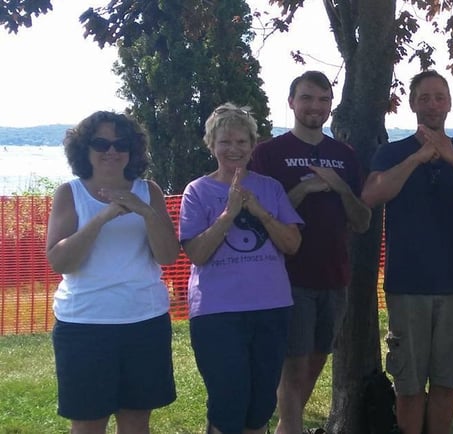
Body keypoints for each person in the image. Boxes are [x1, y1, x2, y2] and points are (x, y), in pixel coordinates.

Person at [361, 70, 453, 434]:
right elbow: (371, 196)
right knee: (408, 384)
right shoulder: (392, 152)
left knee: (446, 382)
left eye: (439, 97)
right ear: (412, 104)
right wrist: (417, 158)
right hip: (407, 284)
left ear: (449, 103)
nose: (433, 104)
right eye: (424, 98)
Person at [249, 71, 371, 434]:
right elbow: (259, 218)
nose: (315, 106)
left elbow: (362, 221)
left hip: (334, 277)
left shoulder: (344, 156)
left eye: (323, 99)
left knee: (314, 363)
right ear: (291, 102)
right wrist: (303, 191)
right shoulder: (268, 154)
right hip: (287, 278)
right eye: (306, 98)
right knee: (294, 367)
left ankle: (283, 427)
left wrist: (340, 188)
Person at [45, 111, 179, 434]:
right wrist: (103, 218)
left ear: (133, 150)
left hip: (144, 321)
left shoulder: (149, 191)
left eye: (121, 144)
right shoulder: (70, 193)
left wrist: (144, 211)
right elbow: (60, 261)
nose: (112, 151)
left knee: (136, 424)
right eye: (101, 143)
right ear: (84, 149)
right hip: (84, 325)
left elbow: (167, 256)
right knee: (87, 425)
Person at [179, 103, 303, 434]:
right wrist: (229, 213)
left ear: (252, 145)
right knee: (228, 404)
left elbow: (292, 244)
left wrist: (261, 213)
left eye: (241, 142)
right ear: (211, 145)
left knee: (261, 406)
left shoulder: (270, 188)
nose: (233, 149)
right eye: (225, 142)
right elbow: (198, 254)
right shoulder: (197, 191)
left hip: (271, 307)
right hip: (218, 312)